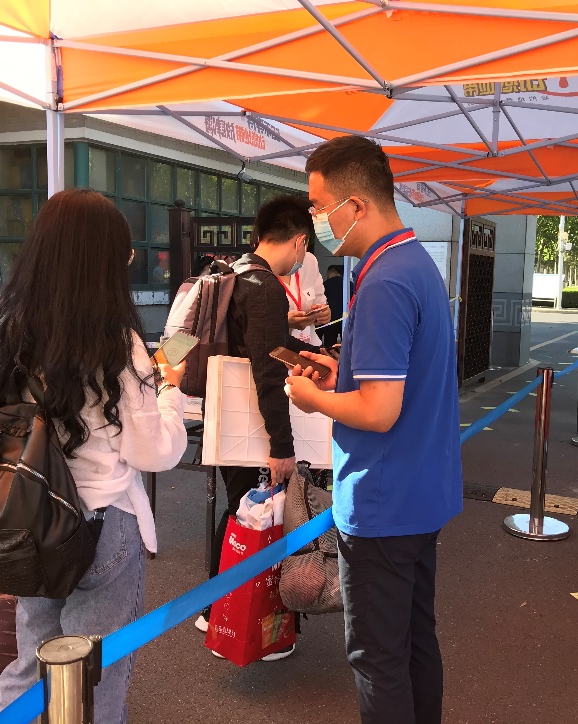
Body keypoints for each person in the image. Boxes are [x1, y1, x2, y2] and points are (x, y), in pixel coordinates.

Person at [0, 189, 189, 722]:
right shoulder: (115, 341)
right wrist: (169, 392)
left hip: (25, 522)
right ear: (106, 261)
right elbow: (154, 451)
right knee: (92, 683)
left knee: (31, 666)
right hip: (100, 527)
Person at [284, 135, 463, 723]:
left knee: (377, 656)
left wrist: (314, 398)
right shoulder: (413, 262)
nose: (316, 220)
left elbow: (381, 410)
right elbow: (399, 379)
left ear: (355, 205)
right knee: (413, 640)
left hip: (383, 497)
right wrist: (341, 373)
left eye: (319, 206)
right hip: (421, 489)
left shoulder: (383, 279)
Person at [192, 195, 321, 661]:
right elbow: (268, 372)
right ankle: (245, 622)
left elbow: (262, 345)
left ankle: (216, 608)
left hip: (227, 419)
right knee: (257, 519)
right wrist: (282, 446)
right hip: (254, 427)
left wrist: (312, 355)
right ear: (299, 241)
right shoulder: (265, 287)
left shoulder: (233, 274)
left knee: (239, 513)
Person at [280, 245, 331, 346]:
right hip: (280, 349)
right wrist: (283, 322)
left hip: (311, 346)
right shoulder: (256, 271)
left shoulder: (309, 260)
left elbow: (321, 303)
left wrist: (323, 314)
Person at [320, 264, 347, 350]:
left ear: (330, 273)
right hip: (345, 318)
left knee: (330, 345)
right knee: (346, 344)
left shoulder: (324, 285)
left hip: (330, 319)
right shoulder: (348, 284)